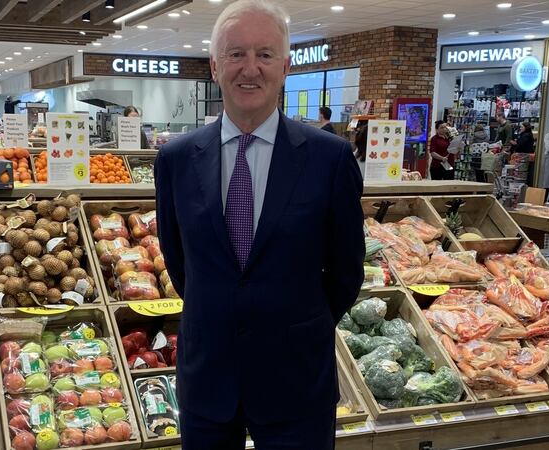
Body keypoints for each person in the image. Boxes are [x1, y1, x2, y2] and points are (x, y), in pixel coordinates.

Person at [154, 1, 364, 449]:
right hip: (208, 377)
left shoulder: (330, 159)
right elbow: (179, 264)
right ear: (215, 66)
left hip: (296, 380)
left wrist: (294, 324)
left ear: (285, 67)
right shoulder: (175, 160)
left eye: (265, 55)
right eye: (236, 54)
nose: (250, 69)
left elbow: (346, 273)